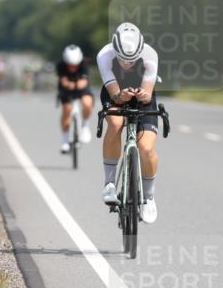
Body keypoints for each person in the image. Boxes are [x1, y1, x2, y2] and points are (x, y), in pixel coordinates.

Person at [97, 22, 160, 224]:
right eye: (123, 60)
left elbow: (148, 93)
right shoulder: (104, 55)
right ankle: (109, 184)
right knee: (115, 125)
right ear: (115, 50)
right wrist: (119, 94)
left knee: (146, 149)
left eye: (132, 61)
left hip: (142, 95)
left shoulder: (150, 54)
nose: (128, 64)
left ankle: (148, 198)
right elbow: (114, 92)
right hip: (115, 92)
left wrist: (143, 94)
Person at [56, 45, 93, 153]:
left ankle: (85, 126)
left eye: (75, 65)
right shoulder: (60, 65)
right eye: (70, 65)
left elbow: (84, 81)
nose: (72, 68)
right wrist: (68, 84)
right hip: (66, 90)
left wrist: (77, 85)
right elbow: (63, 81)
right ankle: (65, 140)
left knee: (87, 103)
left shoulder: (84, 64)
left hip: (81, 88)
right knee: (67, 111)